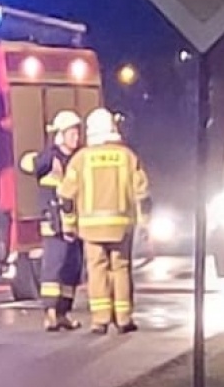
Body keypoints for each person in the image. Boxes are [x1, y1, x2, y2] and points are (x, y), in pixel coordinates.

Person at [58, 107, 151, 334]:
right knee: (121, 269)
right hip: (121, 228)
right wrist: (144, 223)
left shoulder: (80, 159)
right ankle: (124, 319)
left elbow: (66, 196)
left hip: (90, 229)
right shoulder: (128, 156)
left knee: (96, 271)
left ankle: (100, 320)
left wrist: (68, 225)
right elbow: (143, 194)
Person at [32, 110, 85, 331]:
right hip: (54, 222)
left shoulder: (80, 158)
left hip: (75, 221)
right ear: (61, 135)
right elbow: (32, 165)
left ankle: (64, 312)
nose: (76, 136)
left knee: (72, 269)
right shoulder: (49, 157)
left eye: (77, 132)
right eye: (71, 132)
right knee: (53, 267)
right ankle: (50, 312)